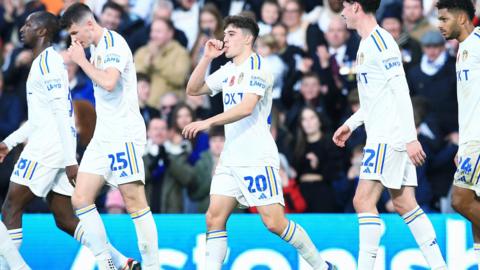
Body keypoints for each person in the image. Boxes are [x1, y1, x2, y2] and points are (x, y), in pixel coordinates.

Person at [183, 15, 335, 270]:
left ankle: (322, 267)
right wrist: (207, 58)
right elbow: (193, 89)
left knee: (275, 223)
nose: (224, 39)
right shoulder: (229, 69)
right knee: (214, 217)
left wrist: (207, 122)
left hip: (256, 157)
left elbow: (246, 107)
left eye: (231, 34)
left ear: (248, 39)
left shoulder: (259, 68)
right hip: (231, 157)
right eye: (225, 34)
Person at [0, 11, 139, 270]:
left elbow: (64, 114)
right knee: (64, 217)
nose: (23, 28)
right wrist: (11, 141)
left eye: (29, 24)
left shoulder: (48, 65)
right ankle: (120, 262)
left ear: (42, 31)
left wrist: (69, 159)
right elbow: (41, 118)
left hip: (47, 149)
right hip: (52, 146)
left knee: (10, 207)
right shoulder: (44, 62)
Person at [333, 1, 447, 269]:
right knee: (405, 204)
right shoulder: (365, 43)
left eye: (345, 6)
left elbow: (400, 91)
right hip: (386, 134)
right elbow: (376, 99)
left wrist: (410, 138)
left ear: (357, 6)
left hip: (389, 137)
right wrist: (352, 123)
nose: (341, 12)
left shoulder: (382, 43)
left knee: (362, 200)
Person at [61, 3, 158, 270]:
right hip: (104, 136)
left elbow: (109, 81)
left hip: (124, 135)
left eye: (74, 33)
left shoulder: (114, 43)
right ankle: (111, 263)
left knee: (134, 201)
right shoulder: (94, 46)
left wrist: (80, 61)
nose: (74, 40)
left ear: (89, 25)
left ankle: (153, 266)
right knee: (80, 198)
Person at [436, 0, 480, 268]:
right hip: (470, 142)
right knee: (474, 203)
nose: (440, 25)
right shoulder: (463, 50)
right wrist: (463, 146)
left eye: (444, 19)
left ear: (462, 18)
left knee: (460, 200)